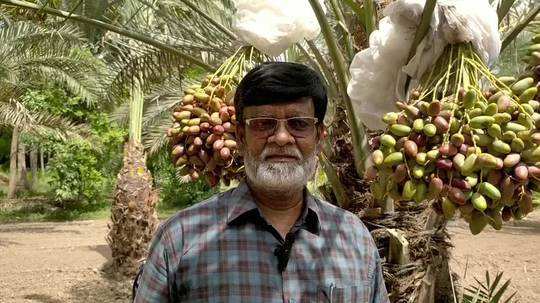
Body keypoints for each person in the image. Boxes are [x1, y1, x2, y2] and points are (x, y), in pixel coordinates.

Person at [134, 62, 389, 302]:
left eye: (298, 124)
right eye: (263, 124)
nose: (280, 138)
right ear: (241, 137)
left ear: (319, 138)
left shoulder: (353, 237)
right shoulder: (180, 238)